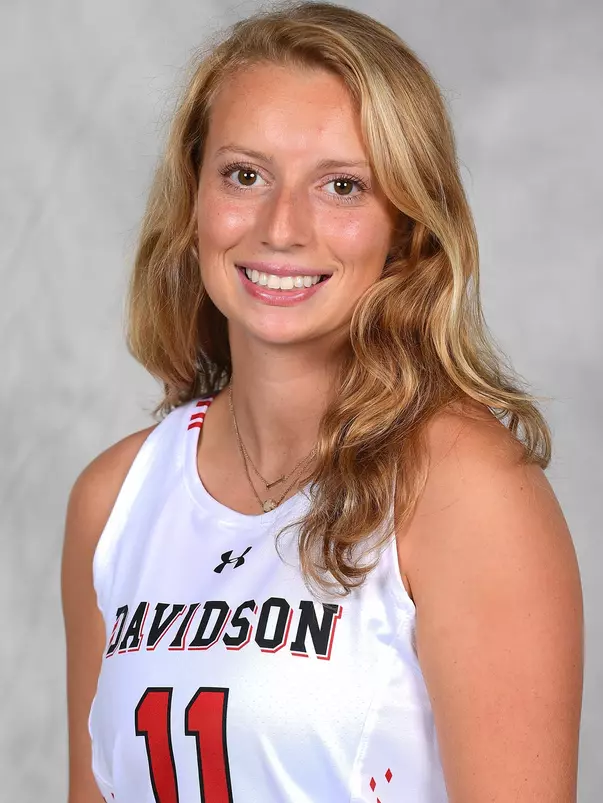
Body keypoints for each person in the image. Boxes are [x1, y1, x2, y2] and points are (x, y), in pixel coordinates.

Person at [61, 2, 584, 801]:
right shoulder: (115, 501)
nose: (281, 227)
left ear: (404, 227)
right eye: (245, 175)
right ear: (194, 198)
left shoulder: (466, 491)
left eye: (341, 186)